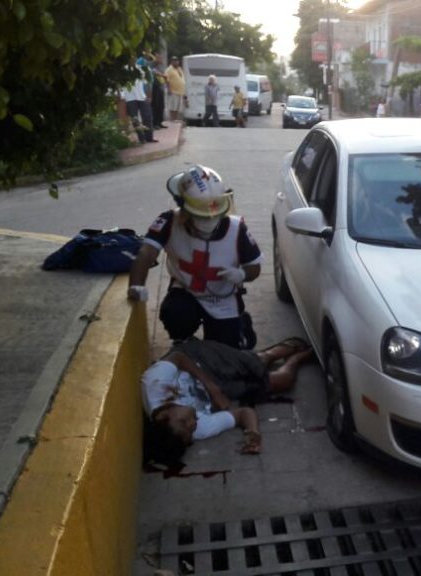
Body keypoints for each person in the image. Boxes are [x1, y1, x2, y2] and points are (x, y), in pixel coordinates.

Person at [128, 165, 262, 349]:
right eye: (201, 216)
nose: (207, 221)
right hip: (186, 290)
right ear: (184, 208)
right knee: (175, 314)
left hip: (222, 297)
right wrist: (136, 285)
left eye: (212, 216)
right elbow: (146, 252)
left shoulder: (237, 229)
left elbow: (254, 267)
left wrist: (241, 275)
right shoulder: (169, 221)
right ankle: (182, 338)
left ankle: (240, 324)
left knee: (225, 351)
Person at [142, 337, 315, 464]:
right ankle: (298, 358)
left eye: (183, 421)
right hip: (218, 390)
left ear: (163, 415)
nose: (193, 423)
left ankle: (275, 351)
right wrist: (253, 434)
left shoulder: (155, 385)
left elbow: (179, 357)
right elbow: (243, 413)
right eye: (190, 431)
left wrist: (213, 389)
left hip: (197, 359)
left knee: (256, 364)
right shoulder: (197, 429)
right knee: (282, 381)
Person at [120, 60, 156, 144]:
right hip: (130, 97)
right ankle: (141, 138)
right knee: (135, 119)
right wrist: (122, 96)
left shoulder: (140, 69)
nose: (132, 59)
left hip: (141, 96)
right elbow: (120, 85)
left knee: (147, 116)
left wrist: (148, 96)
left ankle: (149, 138)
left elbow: (146, 83)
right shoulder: (123, 70)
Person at [165, 56, 186, 124]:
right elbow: (166, 79)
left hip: (180, 91)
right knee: (173, 106)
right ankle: (172, 119)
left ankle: (175, 119)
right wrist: (168, 89)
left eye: (176, 61)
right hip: (173, 91)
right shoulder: (169, 69)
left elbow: (182, 79)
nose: (175, 62)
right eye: (174, 61)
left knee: (177, 107)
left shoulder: (179, 69)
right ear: (171, 62)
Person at [151, 52, 167, 129]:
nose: (161, 59)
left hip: (160, 86)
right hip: (154, 87)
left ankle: (159, 122)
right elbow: (153, 71)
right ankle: (154, 123)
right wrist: (162, 75)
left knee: (161, 105)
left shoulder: (160, 66)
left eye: (161, 58)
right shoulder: (152, 64)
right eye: (159, 58)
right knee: (155, 105)